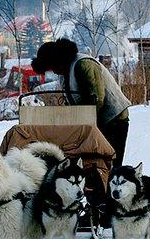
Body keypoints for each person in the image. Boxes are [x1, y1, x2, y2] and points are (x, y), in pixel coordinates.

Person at [31, 38, 131, 167]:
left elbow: (96, 99)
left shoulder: (84, 64)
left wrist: (84, 126)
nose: (54, 72)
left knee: (109, 162)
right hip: (92, 121)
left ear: (58, 61)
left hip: (113, 120)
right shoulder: (65, 72)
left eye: (52, 67)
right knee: (93, 163)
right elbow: (72, 100)